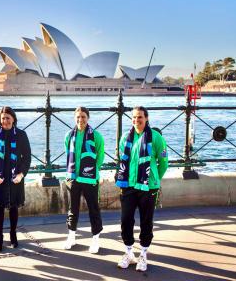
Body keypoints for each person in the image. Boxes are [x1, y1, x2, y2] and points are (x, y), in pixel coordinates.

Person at [115, 106, 168, 272]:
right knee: (126, 220)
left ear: (146, 118)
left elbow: (163, 162)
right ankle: (129, 253)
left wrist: (154, 179)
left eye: (140, 117)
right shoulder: (125, 137)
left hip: (148, 186)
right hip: (129, 186)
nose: (136, 120)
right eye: (134, 117)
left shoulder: (156, 137)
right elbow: (123, 161)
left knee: (146, 222)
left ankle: (143, 254)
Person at [0, 106, 31, 252]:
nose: (5, 121)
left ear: (13, 119)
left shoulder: (21, 135)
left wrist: (21, 175)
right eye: (3, 118)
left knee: (13, 208)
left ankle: (13, 235)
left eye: (8, 118)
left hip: (15, 177)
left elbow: (27, 157)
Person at [64, 107, 105, 253]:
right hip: (73, 178)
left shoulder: (96, 136)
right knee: (72, 209)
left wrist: (93, 171)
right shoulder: (69, 135)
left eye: (83, 117)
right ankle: (71, 236)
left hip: (90, 179)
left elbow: (100, 156)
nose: (80, 120)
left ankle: (95, 239)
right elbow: (68, 153)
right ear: (75, 118)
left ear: (88, 118)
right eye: (78, 117)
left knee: (93, 209)